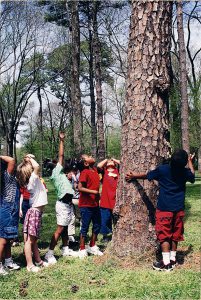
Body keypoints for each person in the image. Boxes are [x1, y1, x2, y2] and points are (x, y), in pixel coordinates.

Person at [125, 149, 195, 272]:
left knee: (164, 235)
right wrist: (190, 162)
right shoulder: (185, 172)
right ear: (184, 163)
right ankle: (173, 259)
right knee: (175, 234)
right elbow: (193, 176)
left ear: (171, 160)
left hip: (164, 209)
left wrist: (134, 176)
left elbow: (147, 175)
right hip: (179, 209)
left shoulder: (163, 169)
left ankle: (166, 264)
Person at [44, 133, 78, 265]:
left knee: (64, 229)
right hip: (63, 204)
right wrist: (62, 141)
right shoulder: (56, 172)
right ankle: (49, 253)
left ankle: (65, 249)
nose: (57, 162)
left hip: (68, 204)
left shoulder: (60, 174)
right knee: (59, 229)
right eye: (54, 163)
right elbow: (61, 156)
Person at [17, 154, 48, 272]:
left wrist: (26, 159)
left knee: (33, 240)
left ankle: (38, 261)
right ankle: (29, 265)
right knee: (29, 241)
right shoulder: (32, 181)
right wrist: (30, 159)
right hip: (35, 213)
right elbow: (37, 166)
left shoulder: (32, 181)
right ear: (29, 173)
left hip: (35, 213)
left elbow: (35, 167)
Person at [77, 154, 103, 258]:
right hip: (86, 204)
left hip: (95, 204)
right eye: (88, 156)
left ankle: (92, 245)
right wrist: (93, 192)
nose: (91, 156)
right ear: (86, 163)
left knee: (97, 225)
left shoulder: (95, 171)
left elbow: (101, 165)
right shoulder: (84, 172)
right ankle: (82, 248)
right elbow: (79, 187)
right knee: (85, 226)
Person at [0, 155, 20, 276]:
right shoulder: (6, 176)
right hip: (7, 211)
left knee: (7, 239)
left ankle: (8, 261)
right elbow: (12, 160)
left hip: (9, 210)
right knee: (2, 240)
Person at [97, 158, 120, 242]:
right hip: (105, 199)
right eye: (108, 162)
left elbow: (124, 163)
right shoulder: (104, 171)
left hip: (116, 199)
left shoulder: (118, 171)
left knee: (117, 218)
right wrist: (106, 160)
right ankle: (105, 236)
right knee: (105, 218)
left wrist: (114, 159)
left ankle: (117, 235)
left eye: (112, 161)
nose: (110, 162)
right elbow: (98, 165)